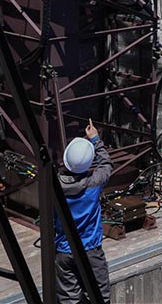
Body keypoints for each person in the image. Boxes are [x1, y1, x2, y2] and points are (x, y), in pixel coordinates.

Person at [55, 120, 113, 304]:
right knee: (99, 296)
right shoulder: (94, 183)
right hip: (91, 250)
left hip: (63, 250)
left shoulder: (54, 186)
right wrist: (95, 139)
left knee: (68, 298)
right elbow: (106, 164)